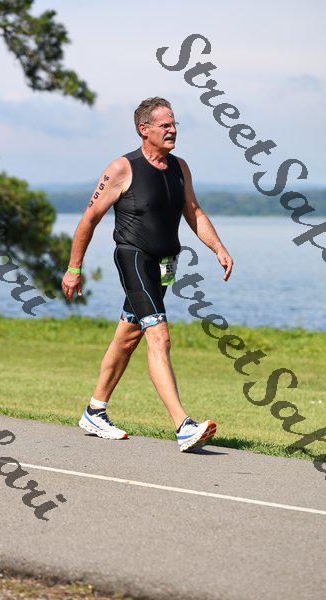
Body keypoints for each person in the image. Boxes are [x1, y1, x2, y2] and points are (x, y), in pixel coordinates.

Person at [61, 97, 233, 452]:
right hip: (134, 258)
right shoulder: (122, 168)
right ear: (144, 129)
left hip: (164, 264)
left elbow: (193, 211)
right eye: (165, 125)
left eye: (174, 124)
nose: (172, 130)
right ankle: (183, 426)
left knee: (128, 337)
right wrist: (74, 268)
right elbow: (89, 218)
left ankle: (95, 411)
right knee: (159, 336)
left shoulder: (179, 167)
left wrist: (218, 247)